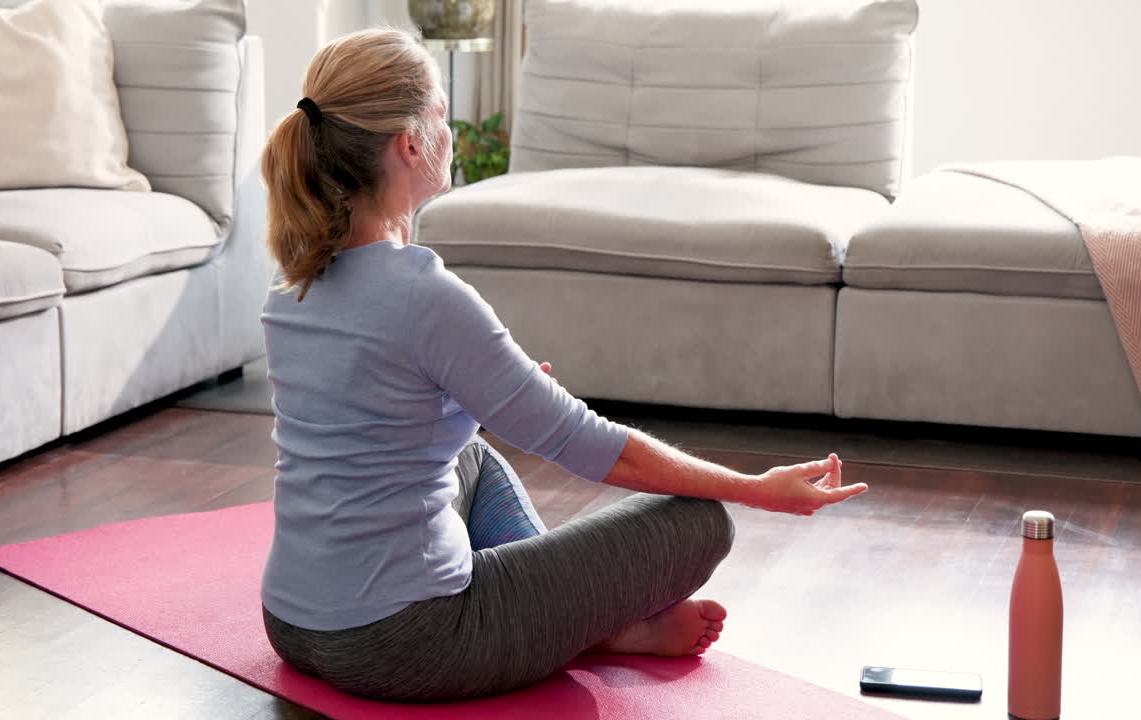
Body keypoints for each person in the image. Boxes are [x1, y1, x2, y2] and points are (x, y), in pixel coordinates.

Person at [256, 28, 869, 703]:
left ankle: (581, 626)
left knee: (473, 460)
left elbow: (370, 423)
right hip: (407, 642)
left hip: (293, 621)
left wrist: (480, 401)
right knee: (703, 519)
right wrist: (757, 488)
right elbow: (592, 448)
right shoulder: (424, 295)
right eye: (439, 112)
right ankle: (590, 628)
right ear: (408, 142)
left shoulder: (293, 285)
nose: (449, 129)